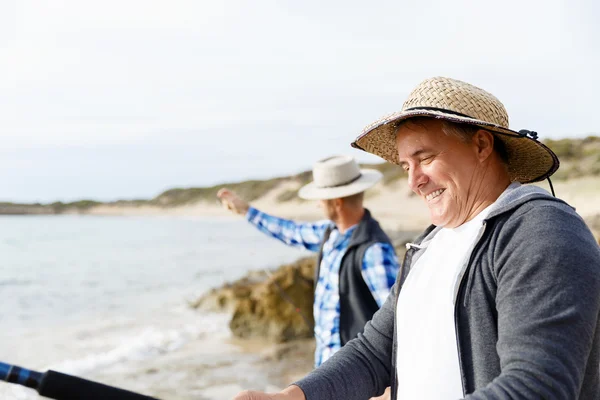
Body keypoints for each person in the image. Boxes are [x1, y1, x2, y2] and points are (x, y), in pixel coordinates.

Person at [233, 77, 600, 400]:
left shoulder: (540, 230)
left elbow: (537, 387)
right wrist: (292, 396)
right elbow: (374, 352)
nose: (414, 181)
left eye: (425, 158)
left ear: (482, 145)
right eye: (407, 166)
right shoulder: (429, 245)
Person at [217, 155, 399, 371]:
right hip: (327, 368)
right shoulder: (329, 233)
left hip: (355, 374)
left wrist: (387, 384)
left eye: (321, 199)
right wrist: (246, 210)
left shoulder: (374, 250)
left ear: (336, 202)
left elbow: (398, 320)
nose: (318, 205)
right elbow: (289, 231)